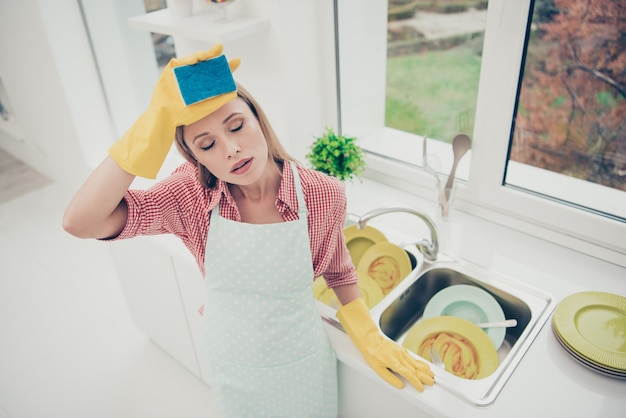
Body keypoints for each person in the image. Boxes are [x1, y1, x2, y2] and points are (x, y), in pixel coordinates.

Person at [63, 44, 433, 418]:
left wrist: (369, 336)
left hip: (302, 366)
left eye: (237, 126)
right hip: (233, 366)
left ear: (259, 118)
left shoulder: (322, 195)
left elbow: (338, 270)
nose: (232, 149)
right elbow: (81, 222)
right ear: (196, 158)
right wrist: (151, 125)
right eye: (207, 145)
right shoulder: (191, 196)